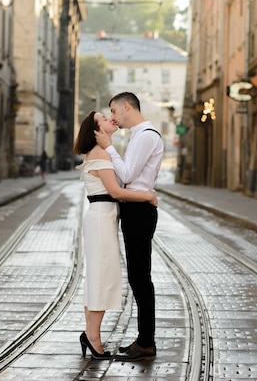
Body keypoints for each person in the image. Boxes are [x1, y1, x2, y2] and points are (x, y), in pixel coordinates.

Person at [74, 111, 158, 360]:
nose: (111, 118)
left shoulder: (100, 152)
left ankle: (90, 334)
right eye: (104, 117)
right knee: (102, 278)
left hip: (101, 218)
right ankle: (93, 338)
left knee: (97, 278)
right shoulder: (100, 153)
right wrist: (148, 196)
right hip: (101, 220)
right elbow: (116, 191)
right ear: (96, 130)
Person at [94, 92, 163, 362]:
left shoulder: (146, 135)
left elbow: (127, 175)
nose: (112, 117)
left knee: (140, 278)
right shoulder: (139, 134)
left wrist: (109, 147)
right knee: (138, 277)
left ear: (126, 106)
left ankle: (146, 343)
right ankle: (144, 339)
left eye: (113, 111)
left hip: (140, 211)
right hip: (136, 209)